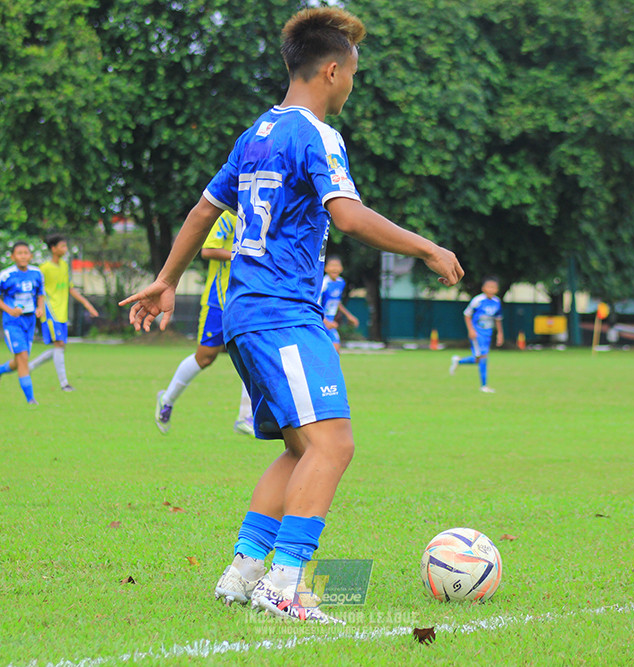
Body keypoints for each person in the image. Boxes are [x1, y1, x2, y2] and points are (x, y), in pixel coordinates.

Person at [120, 7, 462, 624]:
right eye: (352, 73)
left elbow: (202, 211)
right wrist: (428, 248)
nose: (352, 85)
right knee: (334, 445)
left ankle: (244, 572)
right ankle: (285, 585)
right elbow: (348, 216)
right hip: (282, 312)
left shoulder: (256, 134)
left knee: (301, 448)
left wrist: (167, 279)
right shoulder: (316, 134)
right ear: (332, 71)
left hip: (245, 312)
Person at [155, 210, 254, 436]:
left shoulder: (259, 214)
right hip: (218, 300)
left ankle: (245, 416)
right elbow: (208, 250)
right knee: (205, 357)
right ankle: (167, 399)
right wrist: (242, 254)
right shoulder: (228, 215)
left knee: (250, 352)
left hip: (246, 300)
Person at [28, 234, 99, 391]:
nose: (65, 249)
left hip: (61, 312)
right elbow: (36, 290)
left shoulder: (64, 266)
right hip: (49, 311)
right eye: (62, 246)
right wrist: (37, 308)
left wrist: (87, 304)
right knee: (59, 344)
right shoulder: (44, 268)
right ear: (53, 249)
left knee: (60, 347)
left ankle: (28, 367)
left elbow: (70, 288)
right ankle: (64, 384)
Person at [0, 242, 45, 405]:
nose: (23, 256)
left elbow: (40, 293)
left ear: (31, 256)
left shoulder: (37, 273)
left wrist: (40, 308)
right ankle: (31, 400)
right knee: (23, 358)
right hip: (13, 322)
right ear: (13, 257)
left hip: (30, 321)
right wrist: (9, 310)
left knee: (21, 360)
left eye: (26, 253)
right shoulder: (6, 275)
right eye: (19, 253)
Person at [449, 276, 504, 393]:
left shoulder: (497, 302)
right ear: (483, 288)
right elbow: (467, 314)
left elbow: (498, 319)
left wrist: (500, 334)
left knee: (479, 359)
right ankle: (484, 386)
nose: (491, 289)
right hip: (477, 333)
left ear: (497, 289)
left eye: (493, 287)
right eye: (489, 287)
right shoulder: (477, 300)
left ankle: (459, 361)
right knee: (483, 357)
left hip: (488, 334)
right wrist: (471, 330)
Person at [319, 255, 359, 352]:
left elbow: (337, 302)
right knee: (326, 351)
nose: (334, 268)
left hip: (330, 322)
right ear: (326, 268)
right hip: (320, 322)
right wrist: (326, 322)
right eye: (332, 265)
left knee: (335, 349)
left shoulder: (341, 282)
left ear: (341, 268)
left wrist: (349, 316)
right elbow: (316, 305)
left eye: (337, 265)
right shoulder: (323, 284)